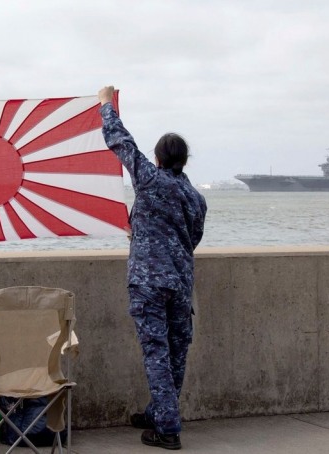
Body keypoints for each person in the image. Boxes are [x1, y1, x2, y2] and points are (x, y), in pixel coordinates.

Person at [98, 86, 207, 450]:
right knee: (176, 352)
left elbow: (121, 142)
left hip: (148, 282)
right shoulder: (195, 197)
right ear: (184, 161)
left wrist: (106, 106)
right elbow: (193, 238)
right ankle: (161, 411)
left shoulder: (150, 179)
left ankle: (168, 430)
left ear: (159, 159)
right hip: (179, 283)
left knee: (156, 352)